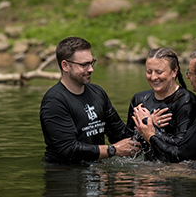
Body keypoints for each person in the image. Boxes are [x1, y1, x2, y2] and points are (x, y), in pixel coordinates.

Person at [40, 36, 141, 164]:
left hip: (95, 169)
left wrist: (145, 126)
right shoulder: (54, 101)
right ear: (65, 66)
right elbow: (68, 149)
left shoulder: (97, 93)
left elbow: (120, 135)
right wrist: (112, 150)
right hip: (65, 174)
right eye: (84, 65)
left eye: (91, 62)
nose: (91, 69)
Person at [127, 48, 196, 162]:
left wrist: (151, 126)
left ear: (174, 72)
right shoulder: (139, 100)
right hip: (148, 168)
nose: (153, 77)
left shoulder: (186, 102)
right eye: (149, 71)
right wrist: (146, 125)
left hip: (176, 171)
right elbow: (130, 142)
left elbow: (182, 149)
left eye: (159, 72)